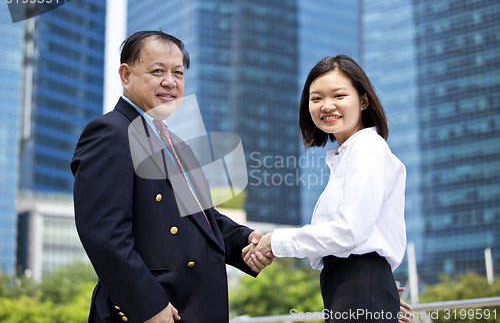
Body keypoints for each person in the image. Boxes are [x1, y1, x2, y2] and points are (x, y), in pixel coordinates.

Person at [71, 31, 272, 323]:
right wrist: (147, 306)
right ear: (126, 75)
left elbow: (201, 218)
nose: (170, 81)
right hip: (154, 312)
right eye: (157, 71)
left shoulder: (176, 143)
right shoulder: (110, 132)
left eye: (178, 72)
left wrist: (245, 243)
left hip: (194, 307)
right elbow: (104, 235)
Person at [243, 55, 408, 322]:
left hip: (358, 286)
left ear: (363, 101)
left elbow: (348, 231)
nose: (327, 105)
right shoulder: (350, 154)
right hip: (351, 287)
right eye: (316, 98)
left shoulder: (367, 148)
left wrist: (276, 240)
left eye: (339, 95)